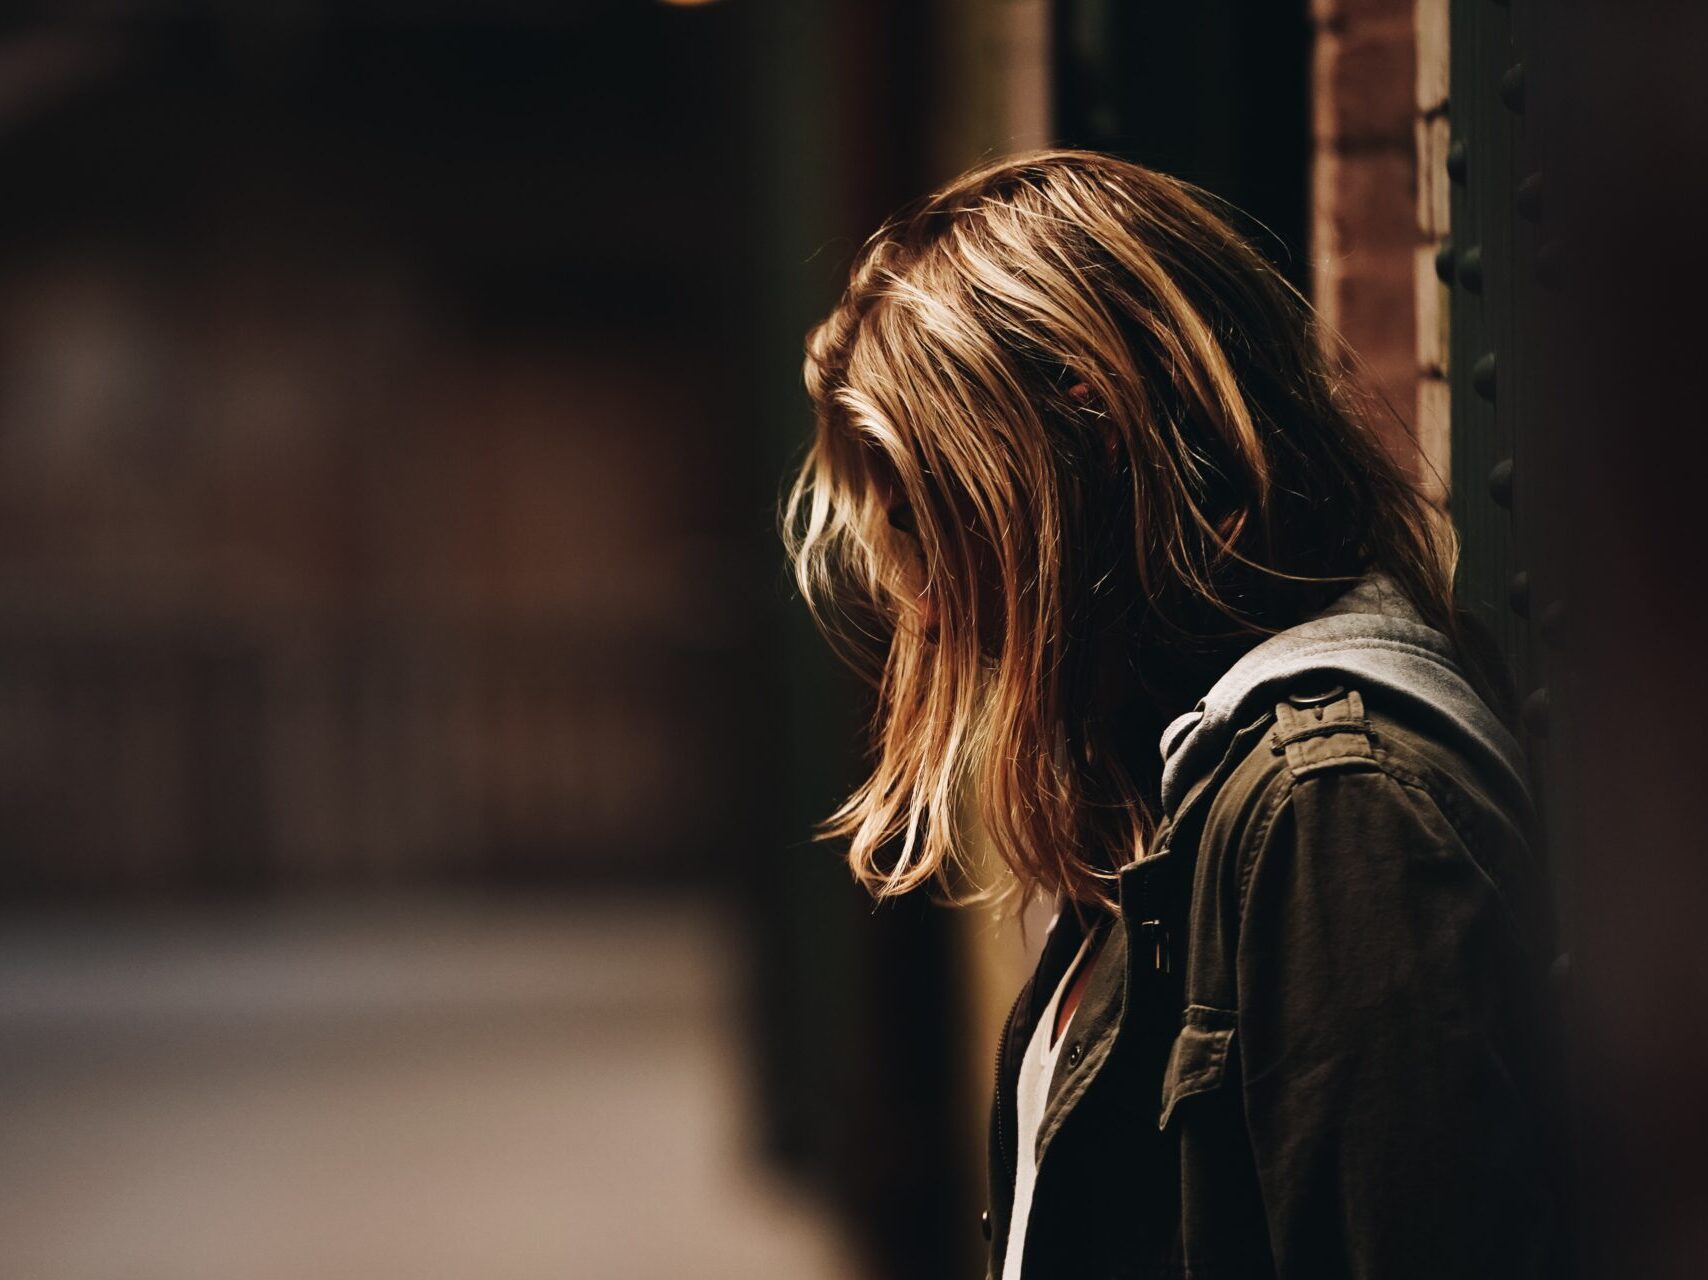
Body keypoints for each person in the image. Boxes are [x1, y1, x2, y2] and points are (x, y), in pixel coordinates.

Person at [783, 151, 1566, 1278]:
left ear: (1087, 423)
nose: (925, 601)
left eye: (933, 517)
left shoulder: (1332, 802)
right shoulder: (1179, 781)